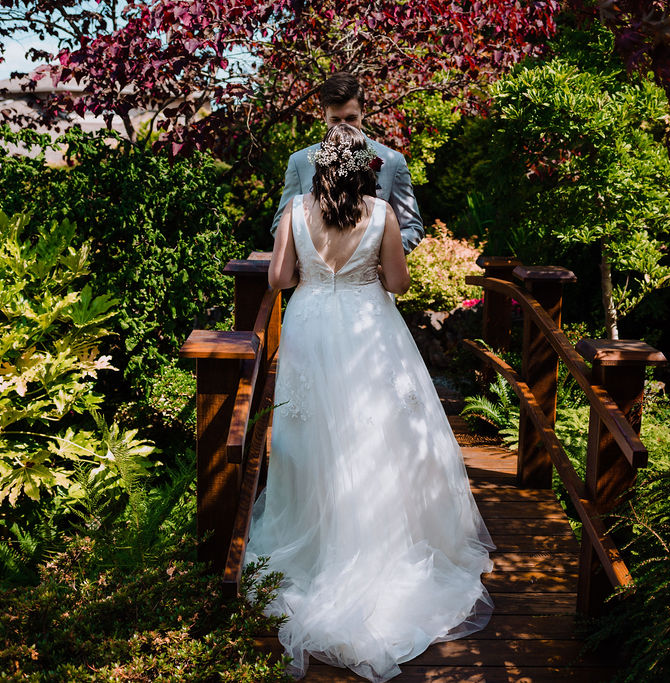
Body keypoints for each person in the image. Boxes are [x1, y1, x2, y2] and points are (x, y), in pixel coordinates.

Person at [246, 123, 494, 682]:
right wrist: (366, 267)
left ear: (319, 167)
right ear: (364, 169)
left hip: (310, 325)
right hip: (367, 326)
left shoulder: (294, 212)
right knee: (376, 434)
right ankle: (375, 542)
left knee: (309, 438)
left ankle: (313, 548)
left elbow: (279, 277)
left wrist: (313, 269)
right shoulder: (381, 214)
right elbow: (399, 284)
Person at [270, 72, 425, 256]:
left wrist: (377, 254)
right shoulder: (299, 162)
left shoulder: (393, 161)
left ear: (363, 112)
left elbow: (412, 227)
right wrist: (310, 258)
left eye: (351, 118)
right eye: (335, 120)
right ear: (324, 115)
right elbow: (280, 225)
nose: (343, 127)